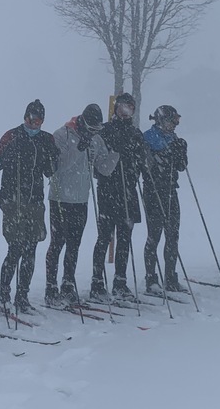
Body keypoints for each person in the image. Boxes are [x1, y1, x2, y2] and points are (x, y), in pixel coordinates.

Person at [0, 99, 59, 314]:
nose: (34, 123)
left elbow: (50, 171)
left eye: (38, 120)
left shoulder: (46, 140)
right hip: (13, 201)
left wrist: (53, 159)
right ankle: (3, 294)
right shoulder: (12, 135)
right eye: (31, 118)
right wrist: (8, 156)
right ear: (25, 117)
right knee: (15, 248)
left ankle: (22, 295)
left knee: (31, 249)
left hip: (35, 201)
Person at [44, 103, 107, 308]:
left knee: (74, 244)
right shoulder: (62, 134)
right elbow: (58, 166)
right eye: (91, 129)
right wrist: (79, 148)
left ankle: (68, 284)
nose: (93, 132)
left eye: (97, 130)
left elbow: (104, 168)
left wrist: (117, 151)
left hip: (81, 199)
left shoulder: (95, 139)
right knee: (57, 243)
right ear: (83, 122)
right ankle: (51, 287)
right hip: (60, 198)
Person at [89, 93, 147, 303]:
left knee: (125, 239)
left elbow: (142, 161)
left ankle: (120, 282)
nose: (127, 110)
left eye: (130, 107)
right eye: (123, 106)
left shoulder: (135, 133)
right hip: (108, 190)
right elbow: (95, 162)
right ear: (116, 108)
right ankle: (97, 282)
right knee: (104, 237)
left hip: (128, 191)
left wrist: (139, 164)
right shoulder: (104, 131)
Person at [140, 105, 189, 294]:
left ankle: (170, 277)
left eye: (176, 121)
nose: (174, 125)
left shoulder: (174, 138)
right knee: (154, 235)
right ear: (161, 120)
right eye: (172, 121)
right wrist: (166, 154)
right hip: (153, 191)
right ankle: (151, 279)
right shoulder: (149, 137)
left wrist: (181, 152)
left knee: (173, 234)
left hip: (170, 190)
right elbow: (148, 164)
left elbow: (181, 167)